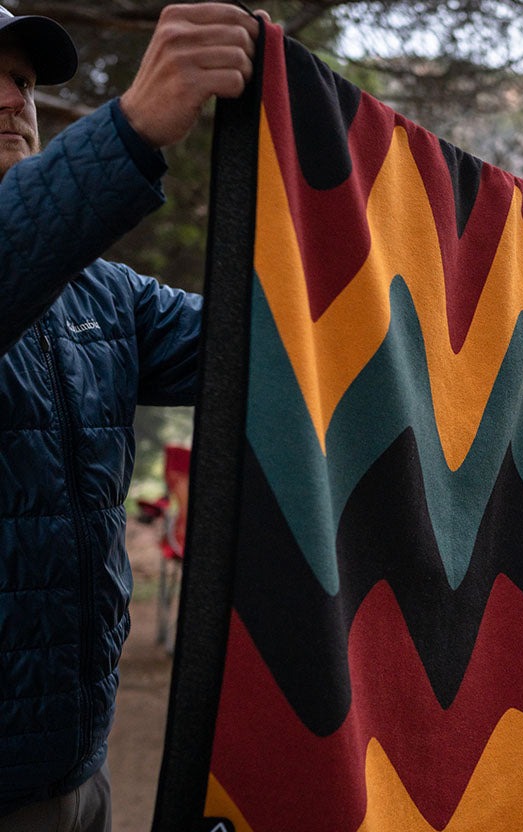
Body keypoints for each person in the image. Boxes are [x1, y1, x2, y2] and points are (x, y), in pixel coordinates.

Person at [0, 3, 261, 829]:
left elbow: (260, 345)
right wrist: (131, 130)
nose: (12, 99)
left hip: (81, 765)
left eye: (22, 80)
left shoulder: (102, 291)